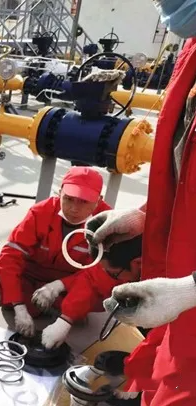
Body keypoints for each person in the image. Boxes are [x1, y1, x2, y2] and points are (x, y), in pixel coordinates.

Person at [85, 2, 196, 404]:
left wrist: (190, 289)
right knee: (155, 366)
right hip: (180, 303)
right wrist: (143, 217)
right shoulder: (192, 50)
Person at [0, 166, 111, 337]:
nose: (74, 208)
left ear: (99, 201)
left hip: (73, 280)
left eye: (83, 202)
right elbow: (11, 256)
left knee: (107, 295)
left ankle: (38, 302)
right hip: (32, 272)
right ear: (60, 192)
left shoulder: (108, 224)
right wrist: (19, 307)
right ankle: (35, 303)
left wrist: (59, 285)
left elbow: (99, 273)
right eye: (68, 199)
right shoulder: (40, 212)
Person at [36, 235, 143, 349]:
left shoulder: (155, 277)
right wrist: (66, 316)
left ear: (137, 263)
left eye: (113, 274)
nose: (111, 276)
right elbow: (93, 278)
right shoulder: (123, 257)